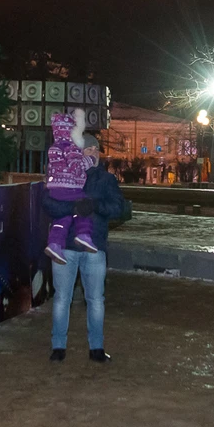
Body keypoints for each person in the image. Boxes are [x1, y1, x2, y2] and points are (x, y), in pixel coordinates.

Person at [50, 131, 130, 364]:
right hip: (65, 247)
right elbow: (48, 204)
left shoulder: (105, 179)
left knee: (95, 300)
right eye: (88, 148)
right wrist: (72, 207)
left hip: (94, 247)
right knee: (61, 299)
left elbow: (119, 208)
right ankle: (58, 346)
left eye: (96, 149)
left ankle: (96, 347)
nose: (93, 152)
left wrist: (94, 205)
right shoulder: (62, 175)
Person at [42, 111, 98, 264]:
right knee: (84, 206)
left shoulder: (54, 147)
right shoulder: (70, 147)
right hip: (70, 186)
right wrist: (90, 160)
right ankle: (84, 234)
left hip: (55, 189)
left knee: (63, 217)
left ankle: (54, 244)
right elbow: (76, 167)